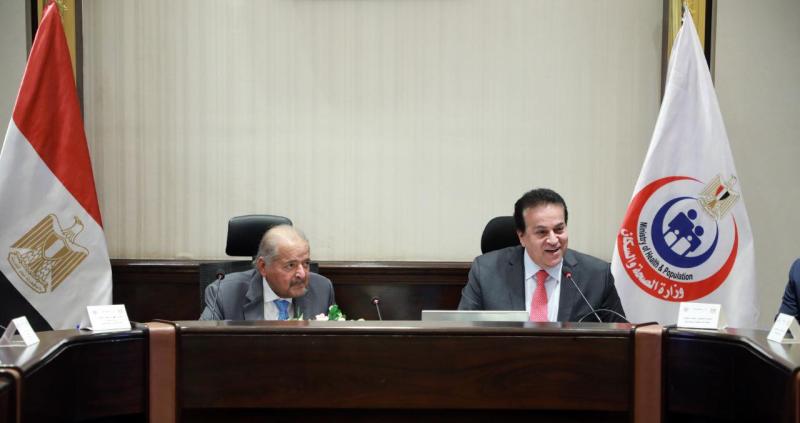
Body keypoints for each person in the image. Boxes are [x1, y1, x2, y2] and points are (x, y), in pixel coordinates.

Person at [458, 188, 626, 322]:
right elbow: (463, 333)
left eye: (559, 229)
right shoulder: (486, 272)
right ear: (521, 236)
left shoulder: (596, 276)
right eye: (542, 232)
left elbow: (621, 339)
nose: (553, 240)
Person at [200, 224, 335, 320]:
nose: (302, 274)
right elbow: (203, 344)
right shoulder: (224, 294)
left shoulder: (322, 289)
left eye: (306, 263)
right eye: (291, 265)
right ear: (263, 266)